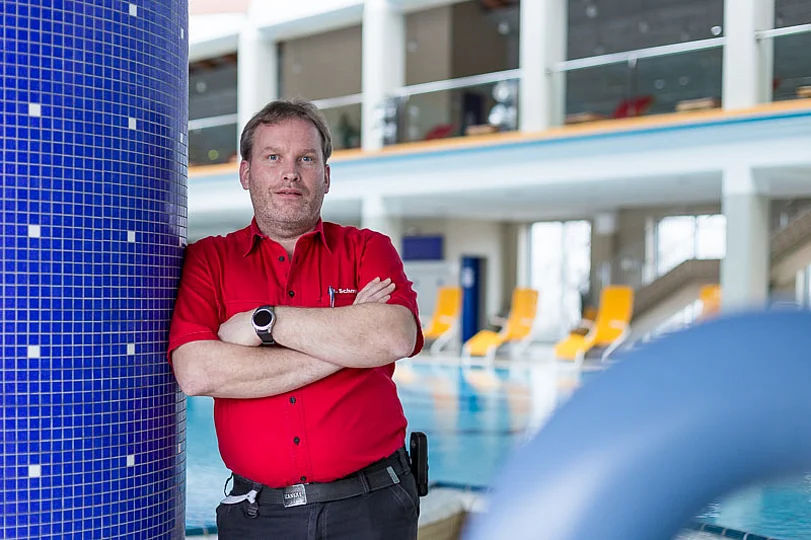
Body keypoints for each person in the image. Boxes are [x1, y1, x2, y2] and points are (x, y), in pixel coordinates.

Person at [168, 98, 424, 539]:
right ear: (246, 173)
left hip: (373, 508)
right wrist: (348, 343)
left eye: (306, 158)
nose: (291, 172)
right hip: (260, 517)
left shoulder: (367, 248)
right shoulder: (210, 260)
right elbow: (197, 372)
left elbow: (395, 337)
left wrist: (262, 324)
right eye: (273, 158)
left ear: (326, 176)